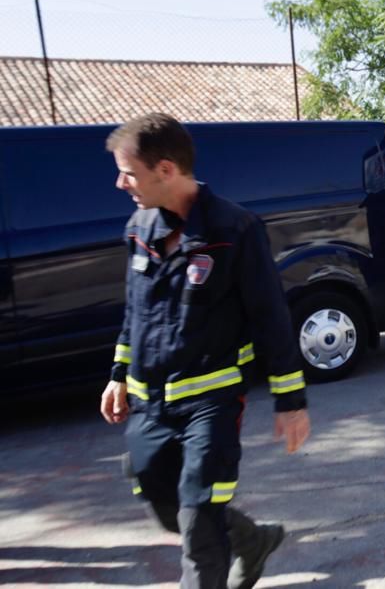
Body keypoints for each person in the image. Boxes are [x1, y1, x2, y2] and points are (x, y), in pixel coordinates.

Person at [100, 113, 311, 589]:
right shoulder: (138, 228)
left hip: (210, 405)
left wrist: (290, 400)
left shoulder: (234, 229)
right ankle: (252, 541)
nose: (120, 183)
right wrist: (118, 373)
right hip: (150, 406)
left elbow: (270, 318)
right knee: (165, 504)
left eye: (129, 173)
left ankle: (226, 551)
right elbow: (134, 311)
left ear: (166, 170)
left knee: (199, 527)